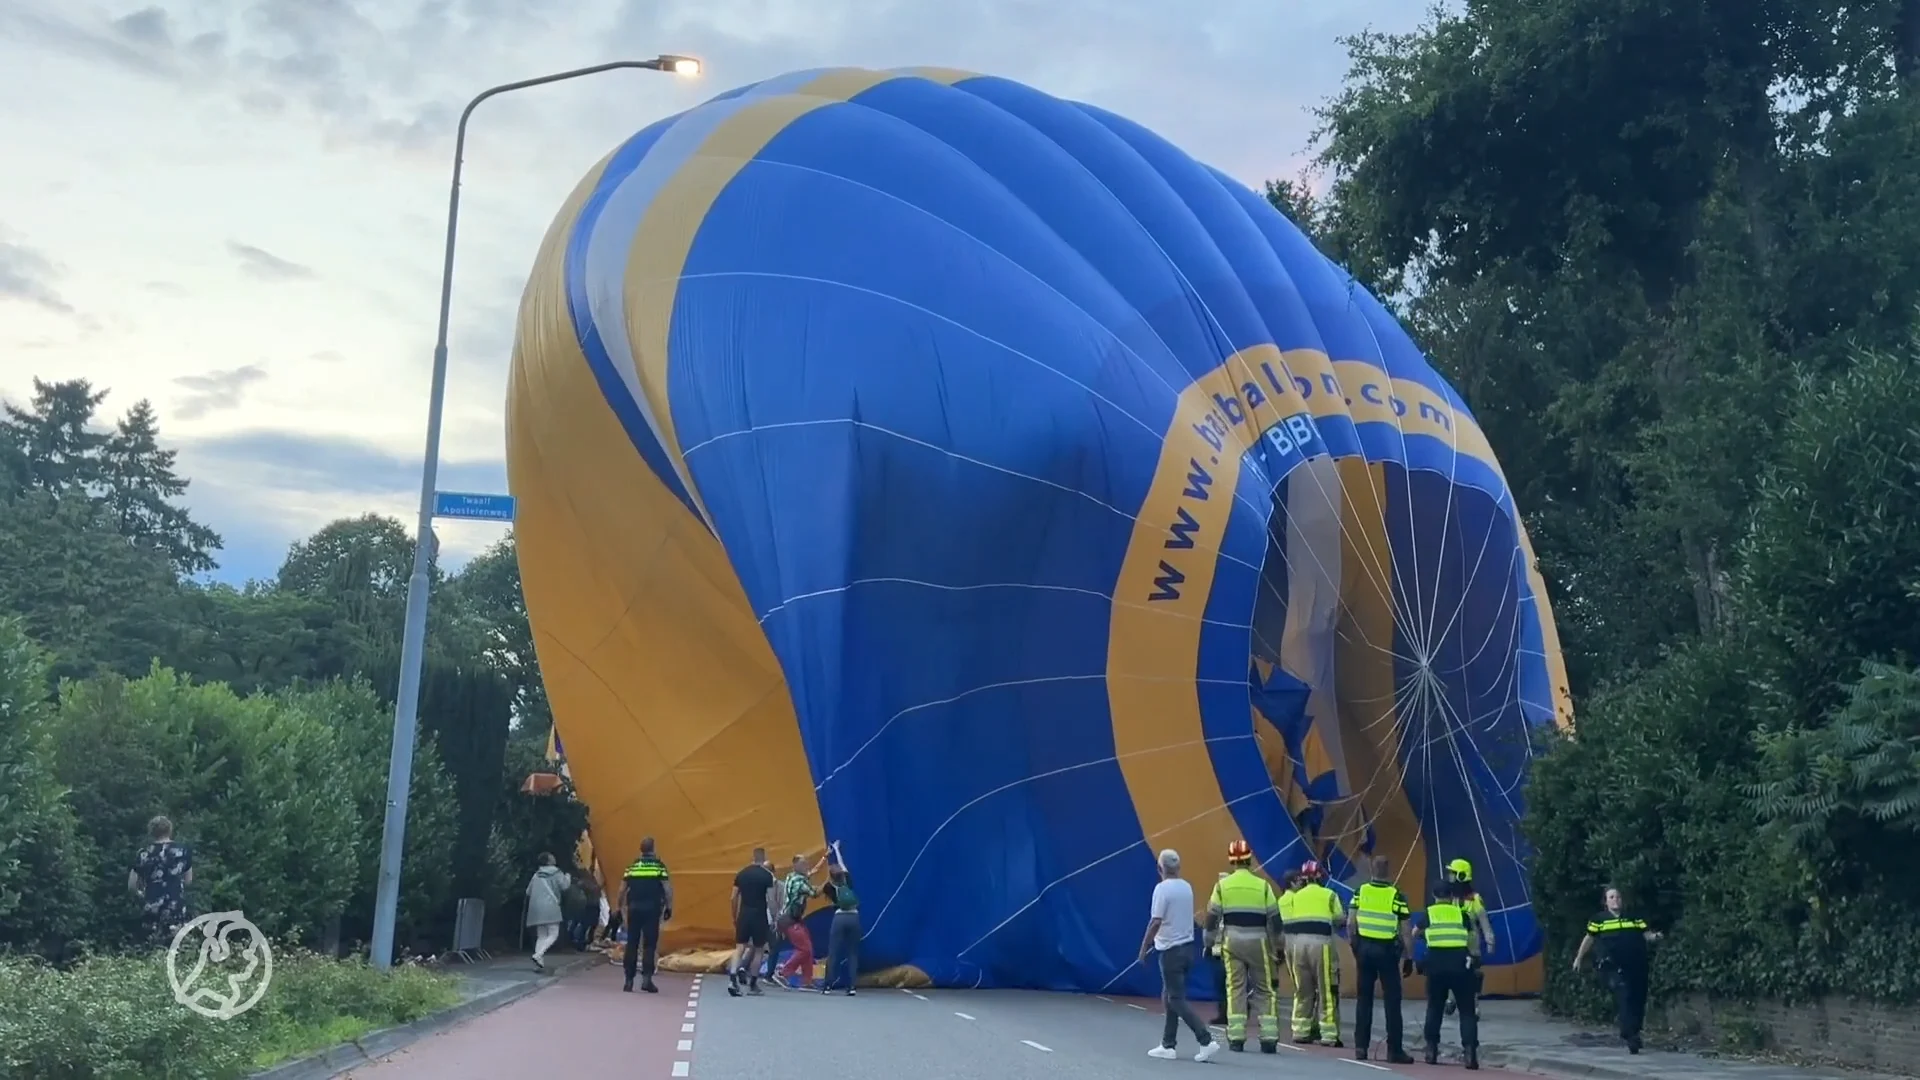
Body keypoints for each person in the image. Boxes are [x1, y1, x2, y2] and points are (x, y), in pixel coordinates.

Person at [1138, 848, 1222, 1062]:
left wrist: (1143, 948)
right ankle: (1168, 1044)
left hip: (1170, 950)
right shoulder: (1186, 887)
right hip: (1187, 948)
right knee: (1169, 997)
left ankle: (1205, 1040)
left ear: (1160, 868)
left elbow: (1156, 920)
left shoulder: (1162, 889)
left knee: (1175, 998)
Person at [1206, 840, 1283, 1052]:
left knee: (1235, 987)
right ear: (1249, 859)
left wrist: (1208, 942)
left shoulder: (1222, 886)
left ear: (1231, 861)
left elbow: (1212, 917)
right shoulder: (1263, 886)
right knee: (1265, 989)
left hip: (1232, 942)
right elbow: (1275, 921)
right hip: (1259, 941)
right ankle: (1268, 1039)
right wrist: (1278, 947)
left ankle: (1236, 1037)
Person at [1571, 885, 1662, 1054]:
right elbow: (1589, 939)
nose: (1616, 900)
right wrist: (1579, 957)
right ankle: (1629, 1035)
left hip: (1636, 964)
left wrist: (1655, 937)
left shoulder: (1634, 918)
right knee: (1624, 995)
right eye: (1612, 897)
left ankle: (1634, 1031)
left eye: (1618, 897)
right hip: (1612, 966)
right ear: (1605, 902)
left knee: (1637, 999)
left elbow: (1646, 935)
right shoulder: (1599, 920)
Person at [1348, 855, 1416, 1064]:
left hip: (1364, 950)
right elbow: (1405, 931)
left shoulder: (1360, 892)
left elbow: (1351, 923)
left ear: (1371, 870)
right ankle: (1394, 1050)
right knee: (1392, 1001)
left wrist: (1355, 946)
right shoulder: (1396, 896)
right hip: (1386, 952)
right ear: (1388, 871)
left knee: (1364, 1000)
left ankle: (1361, 1048)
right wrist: (1409, 957)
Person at [1416, 875, 1481, 1070]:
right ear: (1452, 895)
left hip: (1435, 966)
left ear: (1434, 895)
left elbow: (1414, 933)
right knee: (1467, 1011)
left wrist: (1425, 939)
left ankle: (1431, 1050)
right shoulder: (1462, 915)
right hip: (1460, 966)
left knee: (1435, 1008)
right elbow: (1472, 940)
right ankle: (1470, 1054)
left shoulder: (1428, 914)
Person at [1283, 859, 1345, 1047]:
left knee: (1303, 989)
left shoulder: (1294, 897)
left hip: (1298, 945)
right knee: (1327, 988)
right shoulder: (1330, 895)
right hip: (1321, 945)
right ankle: (1328, 1034)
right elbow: (1339, 919)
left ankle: (1300, 1031)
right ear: (1320, 877)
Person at [618, 837, 672, 993]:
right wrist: (669, 907)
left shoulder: (632, 867)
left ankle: (628, 980)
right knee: (649, 944)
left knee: (632, 943)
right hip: (652, 909)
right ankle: (647, 979)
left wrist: (619, 907)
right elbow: (667, 889)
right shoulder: (659, 867)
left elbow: (622, 889)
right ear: (653, 849)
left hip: (633, 908)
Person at [129, 815, 192, 947]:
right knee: (175, 947)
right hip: (175, 905)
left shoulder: (143, 853)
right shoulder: (182, 851)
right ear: (170, 829)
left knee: (152, 945)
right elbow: (188, 880)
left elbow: (132, 885)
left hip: (152, 904)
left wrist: (142, 894)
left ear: (151, 832)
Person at [1444, 859, 1496, 1019]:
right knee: (1452, 971)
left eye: (1453, 873)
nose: (1450, 876)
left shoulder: (1475, 899)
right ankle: (1451, 999)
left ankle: (1474, 1006)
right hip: (1452, 941)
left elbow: (1483, 921)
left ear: (1461, 876)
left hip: (1471, 942)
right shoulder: (1448, 897)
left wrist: (1490, 940)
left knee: (1472, 975)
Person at [727, 847, 778, 996]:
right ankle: (753, 985)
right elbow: (771, 899)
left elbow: (733, 897)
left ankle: (732, 978)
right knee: (759, 949)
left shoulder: (742, 874)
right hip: (759, 915)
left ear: (752, 857)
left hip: (744, 914)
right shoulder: (767, 876)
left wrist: (734, 916)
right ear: (764, 858)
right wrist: (774, 918)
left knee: (740, 948)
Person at [778, 850, 828, 988]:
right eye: (803, 864)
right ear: (795, 865)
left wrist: (825, 858)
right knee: (804, 949)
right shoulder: (799, 883)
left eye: (806, 863)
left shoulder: (792, 876)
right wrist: (828, 882)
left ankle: (807, 981)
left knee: (808, 949)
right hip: (789, 919)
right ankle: (783, 972)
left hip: (793, 918)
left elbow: (813, 872)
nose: (806, 866)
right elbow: (814, 893)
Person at [820, 842, 862, 995]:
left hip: (839, 917)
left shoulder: (829, 888)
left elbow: (820, 888)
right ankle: (852, 987)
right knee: (852, 953)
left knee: (834, 952)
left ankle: (828, 986)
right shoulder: (848, 882)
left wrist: (826, 857)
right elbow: (843, 866)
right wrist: (837, 850)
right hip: (854, 917)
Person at [524, 853, 572, 971]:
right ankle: (538, 955)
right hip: (551, 907)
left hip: (536, 909)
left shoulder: (536, 875)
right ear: (549, 861)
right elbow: (565, 886)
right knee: (553, 934)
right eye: (552, 857)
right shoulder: (556, 873)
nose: (554, 858)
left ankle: (539, 962)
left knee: (541, 935)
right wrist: (568, 877)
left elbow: (528, 891)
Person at [1205, 871, 1230, 1026]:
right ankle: (1226, 1010)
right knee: (1226, 981)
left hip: (1221, 947)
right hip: (1224, 946)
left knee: (1222, 981)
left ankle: (1225, 1012)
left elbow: (1210, 926)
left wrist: (1208, 944)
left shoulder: (1217, 905)